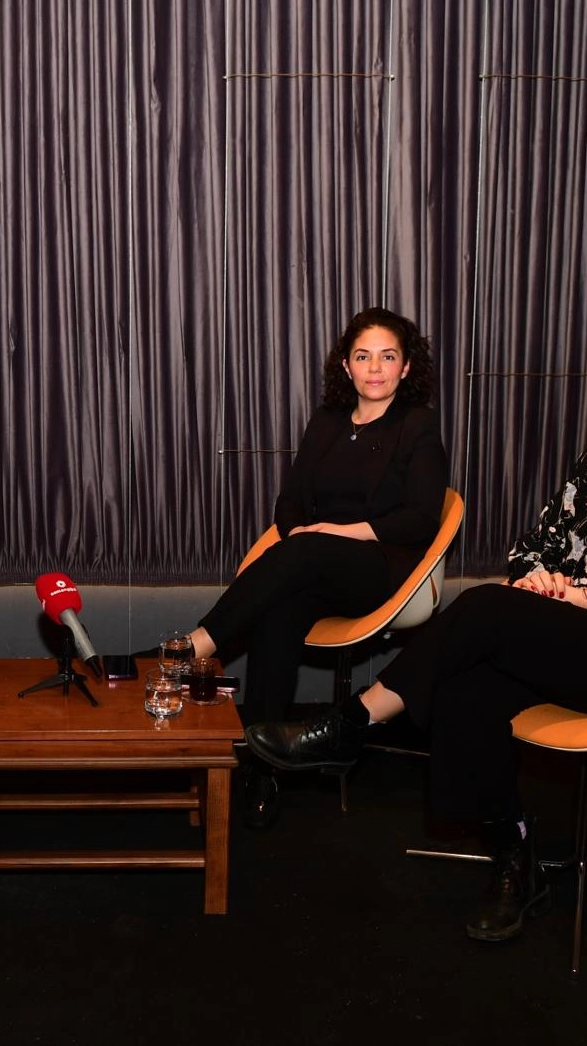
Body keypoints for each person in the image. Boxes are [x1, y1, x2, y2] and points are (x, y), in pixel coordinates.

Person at [245, 305, 587, 943]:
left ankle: (351, 723)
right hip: (562, 640)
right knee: (465, 691)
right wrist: (541, 578)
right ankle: (515, 854)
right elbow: (532, 548)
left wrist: (586, 598)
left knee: (486, 607)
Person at [188, 307, 448, 827]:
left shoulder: (416, 425)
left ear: (405, 367)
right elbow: (289, 504)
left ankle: (192, 647)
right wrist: (299, 539)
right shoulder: (327, 422)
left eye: (388, 357)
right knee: (279, 608)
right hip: (310, 567)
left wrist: (333, 534)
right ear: (346, 366)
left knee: (302, 554)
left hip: (381, 568)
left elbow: (421, 518)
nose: (375, 368)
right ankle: (263, 765)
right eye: (363, 356)